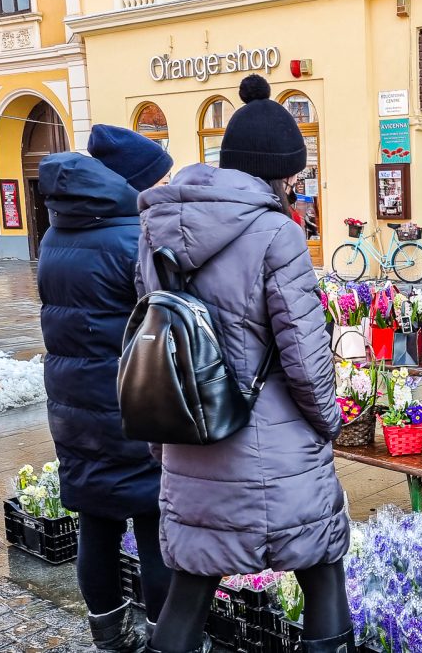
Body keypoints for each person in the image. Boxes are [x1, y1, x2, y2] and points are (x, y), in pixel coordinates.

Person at [137, 74, 352, 653]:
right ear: (282, 173)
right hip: (274, 443)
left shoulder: (156, 228)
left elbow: (155, 336)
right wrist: (331, 423)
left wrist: (164, 448)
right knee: (323, 568)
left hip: (190, 437)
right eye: (297, 176)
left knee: (192, 584)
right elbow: (306, 359)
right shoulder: (277, 235)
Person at [37, 124, 174, 652]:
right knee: (153, 526)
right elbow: (168, 317)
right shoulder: (131, 239)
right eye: (157, 180)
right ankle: (167, 640)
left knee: (96, 523)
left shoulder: (57, 233)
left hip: (74, 406)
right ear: (133, 184)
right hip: (131, 405)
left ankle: (111, 638)